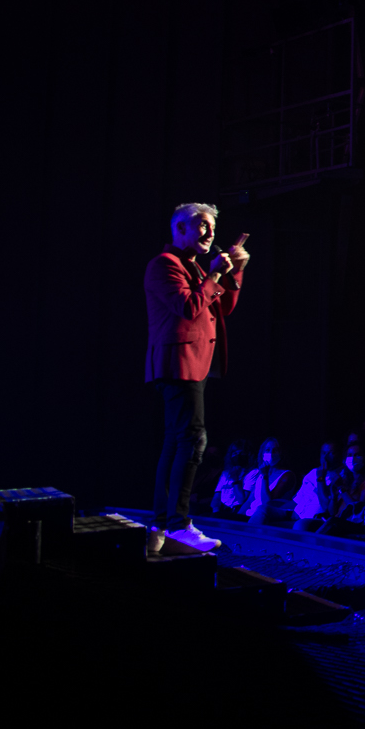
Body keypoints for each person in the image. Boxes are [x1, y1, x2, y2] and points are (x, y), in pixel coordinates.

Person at [142, 203, 250, 556]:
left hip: (193, 364)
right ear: (180, 229)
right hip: (178, 363)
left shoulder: (195, 267)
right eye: (202, 225)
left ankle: (162, 525)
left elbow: (222, 308)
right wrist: (215, 274)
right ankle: (178, 525)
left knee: (178, 442)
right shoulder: (164, 265)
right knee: (191, 440)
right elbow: (188, 307)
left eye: (212, 227)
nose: (210, 233)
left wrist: (235, 272)